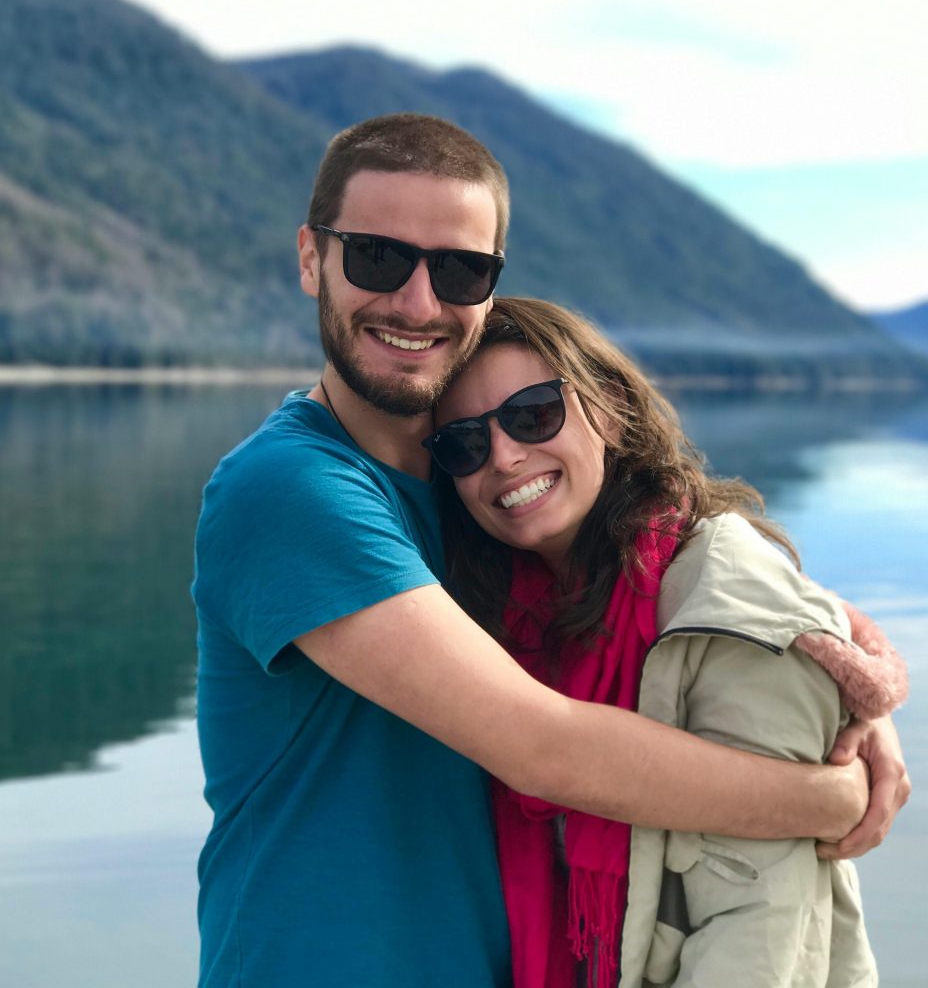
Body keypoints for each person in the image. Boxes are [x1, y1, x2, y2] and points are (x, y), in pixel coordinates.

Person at [191, 113, 909, 988]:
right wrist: (825, 796)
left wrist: (846, 703)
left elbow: (701, 597)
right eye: (377, 257)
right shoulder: (292, 491)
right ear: (311, 258)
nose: (418, 301)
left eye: (459, 268)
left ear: (490, 288)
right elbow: (544, 748)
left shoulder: (466, 494)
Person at [428, 296, 909, 987]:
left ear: (611, 408)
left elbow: (759, 930)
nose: (502, 456)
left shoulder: (731, 608)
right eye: (464, 443)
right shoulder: (508, 618)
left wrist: (842, 783)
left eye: (533, 414)